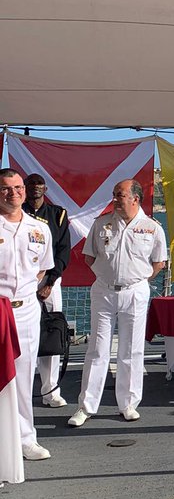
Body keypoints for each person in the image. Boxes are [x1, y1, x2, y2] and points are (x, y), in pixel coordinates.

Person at [69, 181, 167, 427]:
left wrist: (136, 279)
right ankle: (86, 406)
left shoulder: (152, 228)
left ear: (135, 198)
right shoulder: (101, 224)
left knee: (131, 350)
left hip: (134, 292)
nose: (115, 199)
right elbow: (89, 255)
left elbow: (159, 262)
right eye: (114, 195)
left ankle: (128, 404)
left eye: (120, 195)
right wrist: (107, 274)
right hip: (103, 291)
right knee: (97, 349)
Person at [0, 169, 54, 465]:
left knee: (23, 376)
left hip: (27, 310)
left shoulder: (39, 228)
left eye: (18, 187)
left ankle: (25, 438)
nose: (14, 193)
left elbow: (43, 267)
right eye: (6, 188)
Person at [24, 173, 71, 407]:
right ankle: (20, 390)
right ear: (25, 187)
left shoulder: (57, 214)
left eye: (39, 184)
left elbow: (63, 251)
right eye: (31, 184)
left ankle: (50, 391)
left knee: (51, 334)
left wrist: (50, 283)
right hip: (22, 283)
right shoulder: (15, 214)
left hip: (50, 282)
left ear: (45, 187)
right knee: (22, 336)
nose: (35, 187)